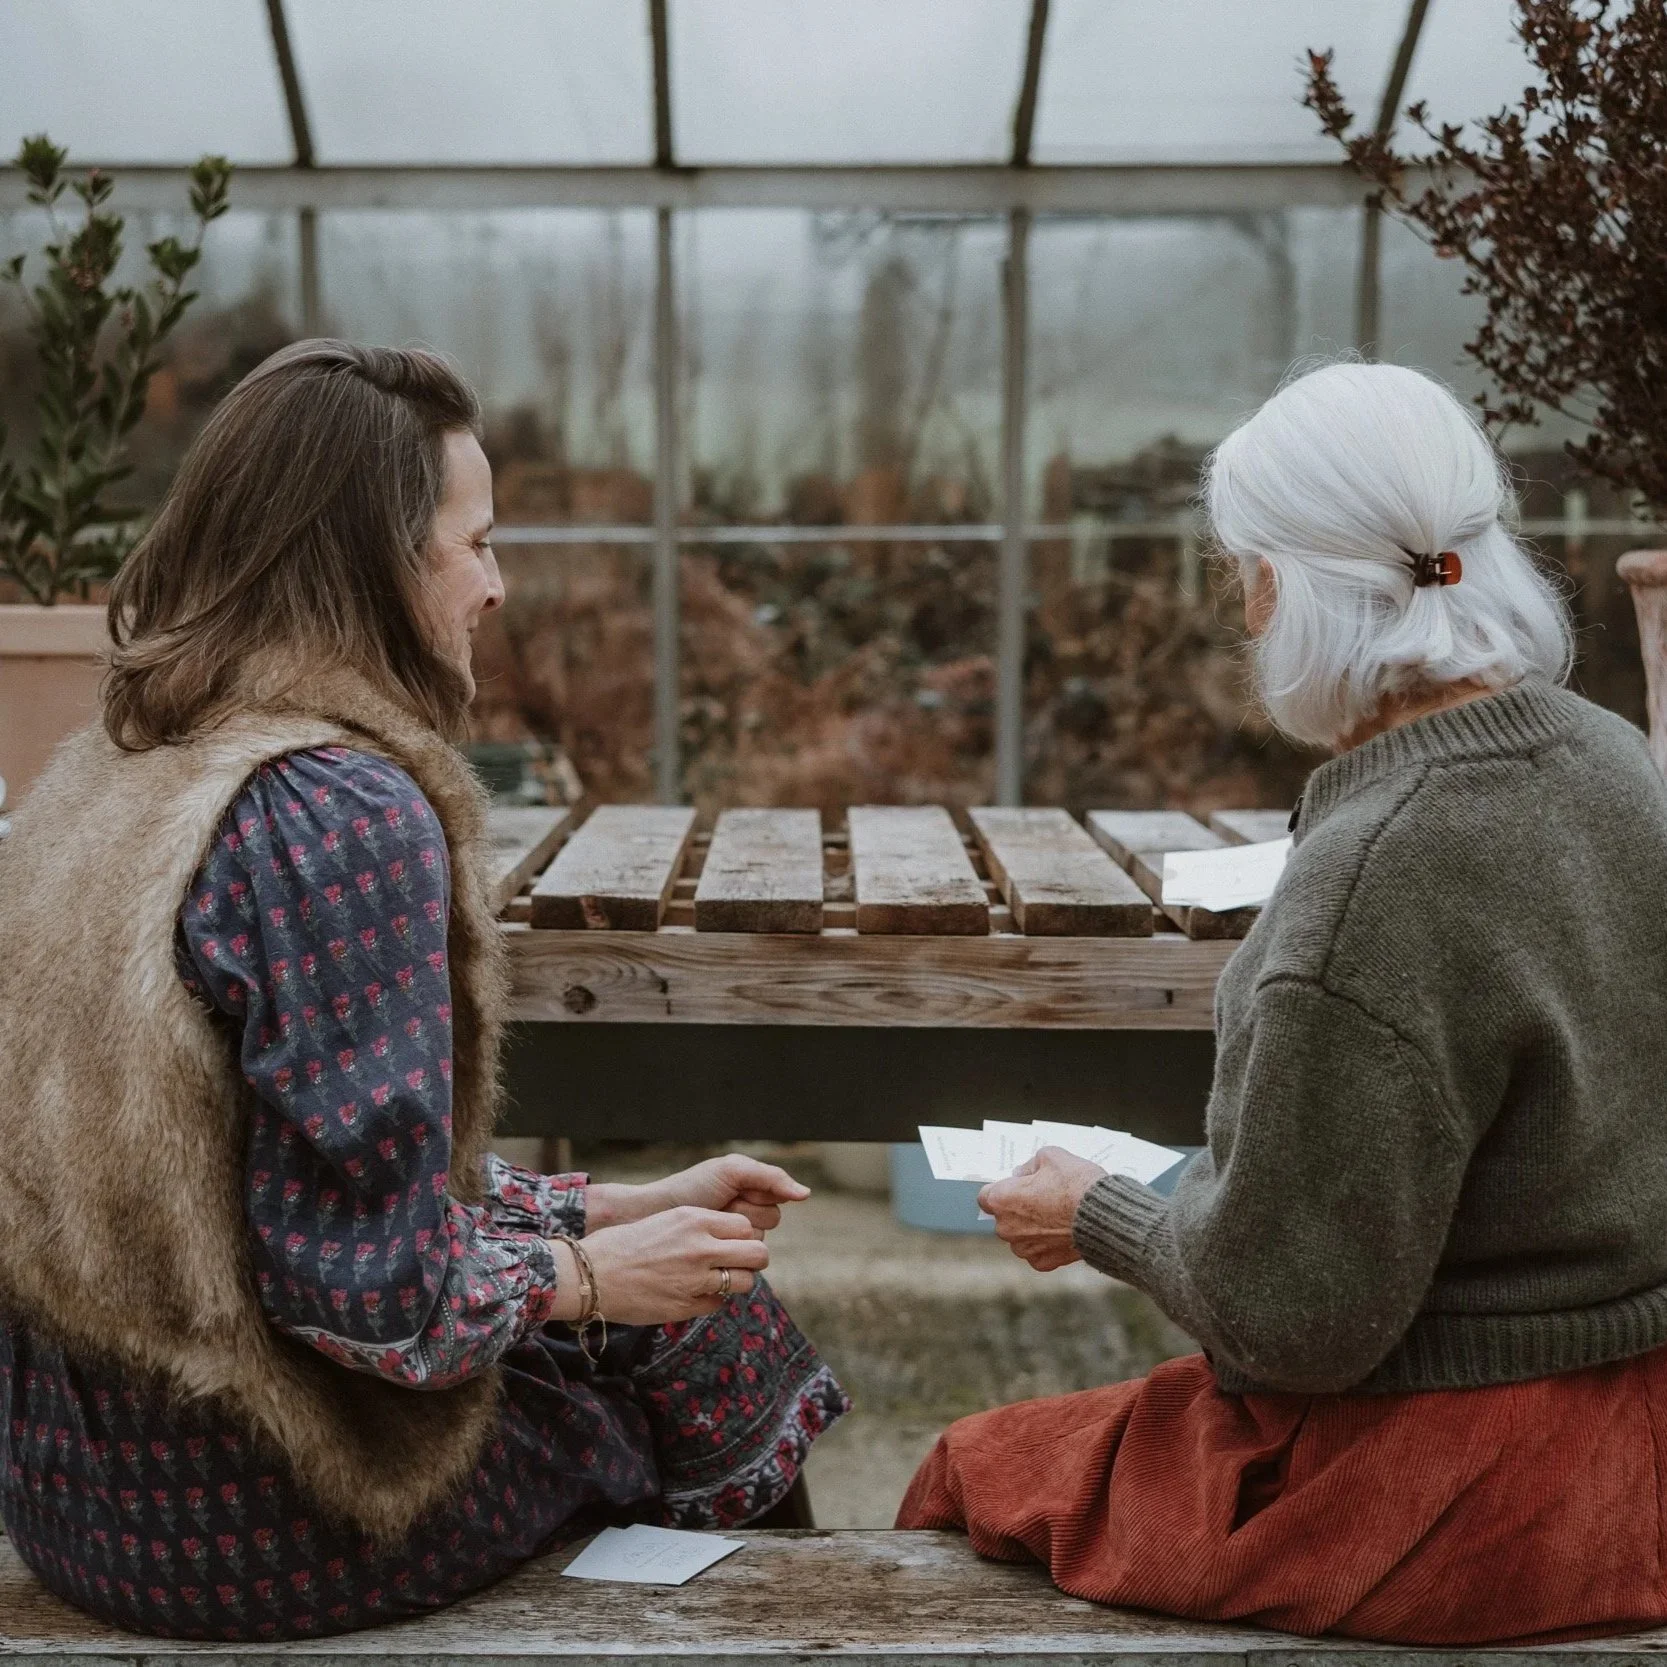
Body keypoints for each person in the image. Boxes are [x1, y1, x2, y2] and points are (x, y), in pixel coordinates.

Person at [0, 341, 848, 1642]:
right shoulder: (337, 810)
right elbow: (368, 1298)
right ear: (369, 560)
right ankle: (802, 1632)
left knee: (660, 1290)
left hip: (75, 1484)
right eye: (475, 542)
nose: (497, 585)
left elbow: (255, 1190)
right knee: (704, 1334)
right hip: (250, 1513)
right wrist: (591, 1272)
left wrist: (595, 1203)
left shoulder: (117, 770)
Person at [898, 361, 1667, 1645]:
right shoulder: (1615, 760)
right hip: (1638, 1433)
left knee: (971, 1469)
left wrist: (1101, 1214)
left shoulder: (1370, 877)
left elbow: (1298, 1319)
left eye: (1240, 574)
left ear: (1276, 589)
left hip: (1456, 1491)